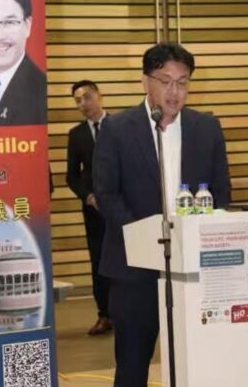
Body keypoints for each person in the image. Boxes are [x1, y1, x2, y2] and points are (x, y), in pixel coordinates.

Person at [93, 42, 231, 387]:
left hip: (191, 266)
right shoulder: (116, 128)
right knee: (132, 365)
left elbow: (221, 192)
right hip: (134, 267)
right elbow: (107, 195)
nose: (174, 92)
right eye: (165, 81)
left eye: (182, 82)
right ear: (146, 81)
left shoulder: (206, 128)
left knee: (197, 362)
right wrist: (146, 238)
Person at [66, 80, 111, 335]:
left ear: (99, 96)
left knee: (127, 260)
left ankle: (127, 312)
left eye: (87, 97)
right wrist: (88, 196)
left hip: (123, 207)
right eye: (77, 100)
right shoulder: (76, 134)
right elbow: (71, 176)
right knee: (99, 261)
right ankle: (104, 314)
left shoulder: (121, 125)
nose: (83, 104)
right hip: (94, 210)